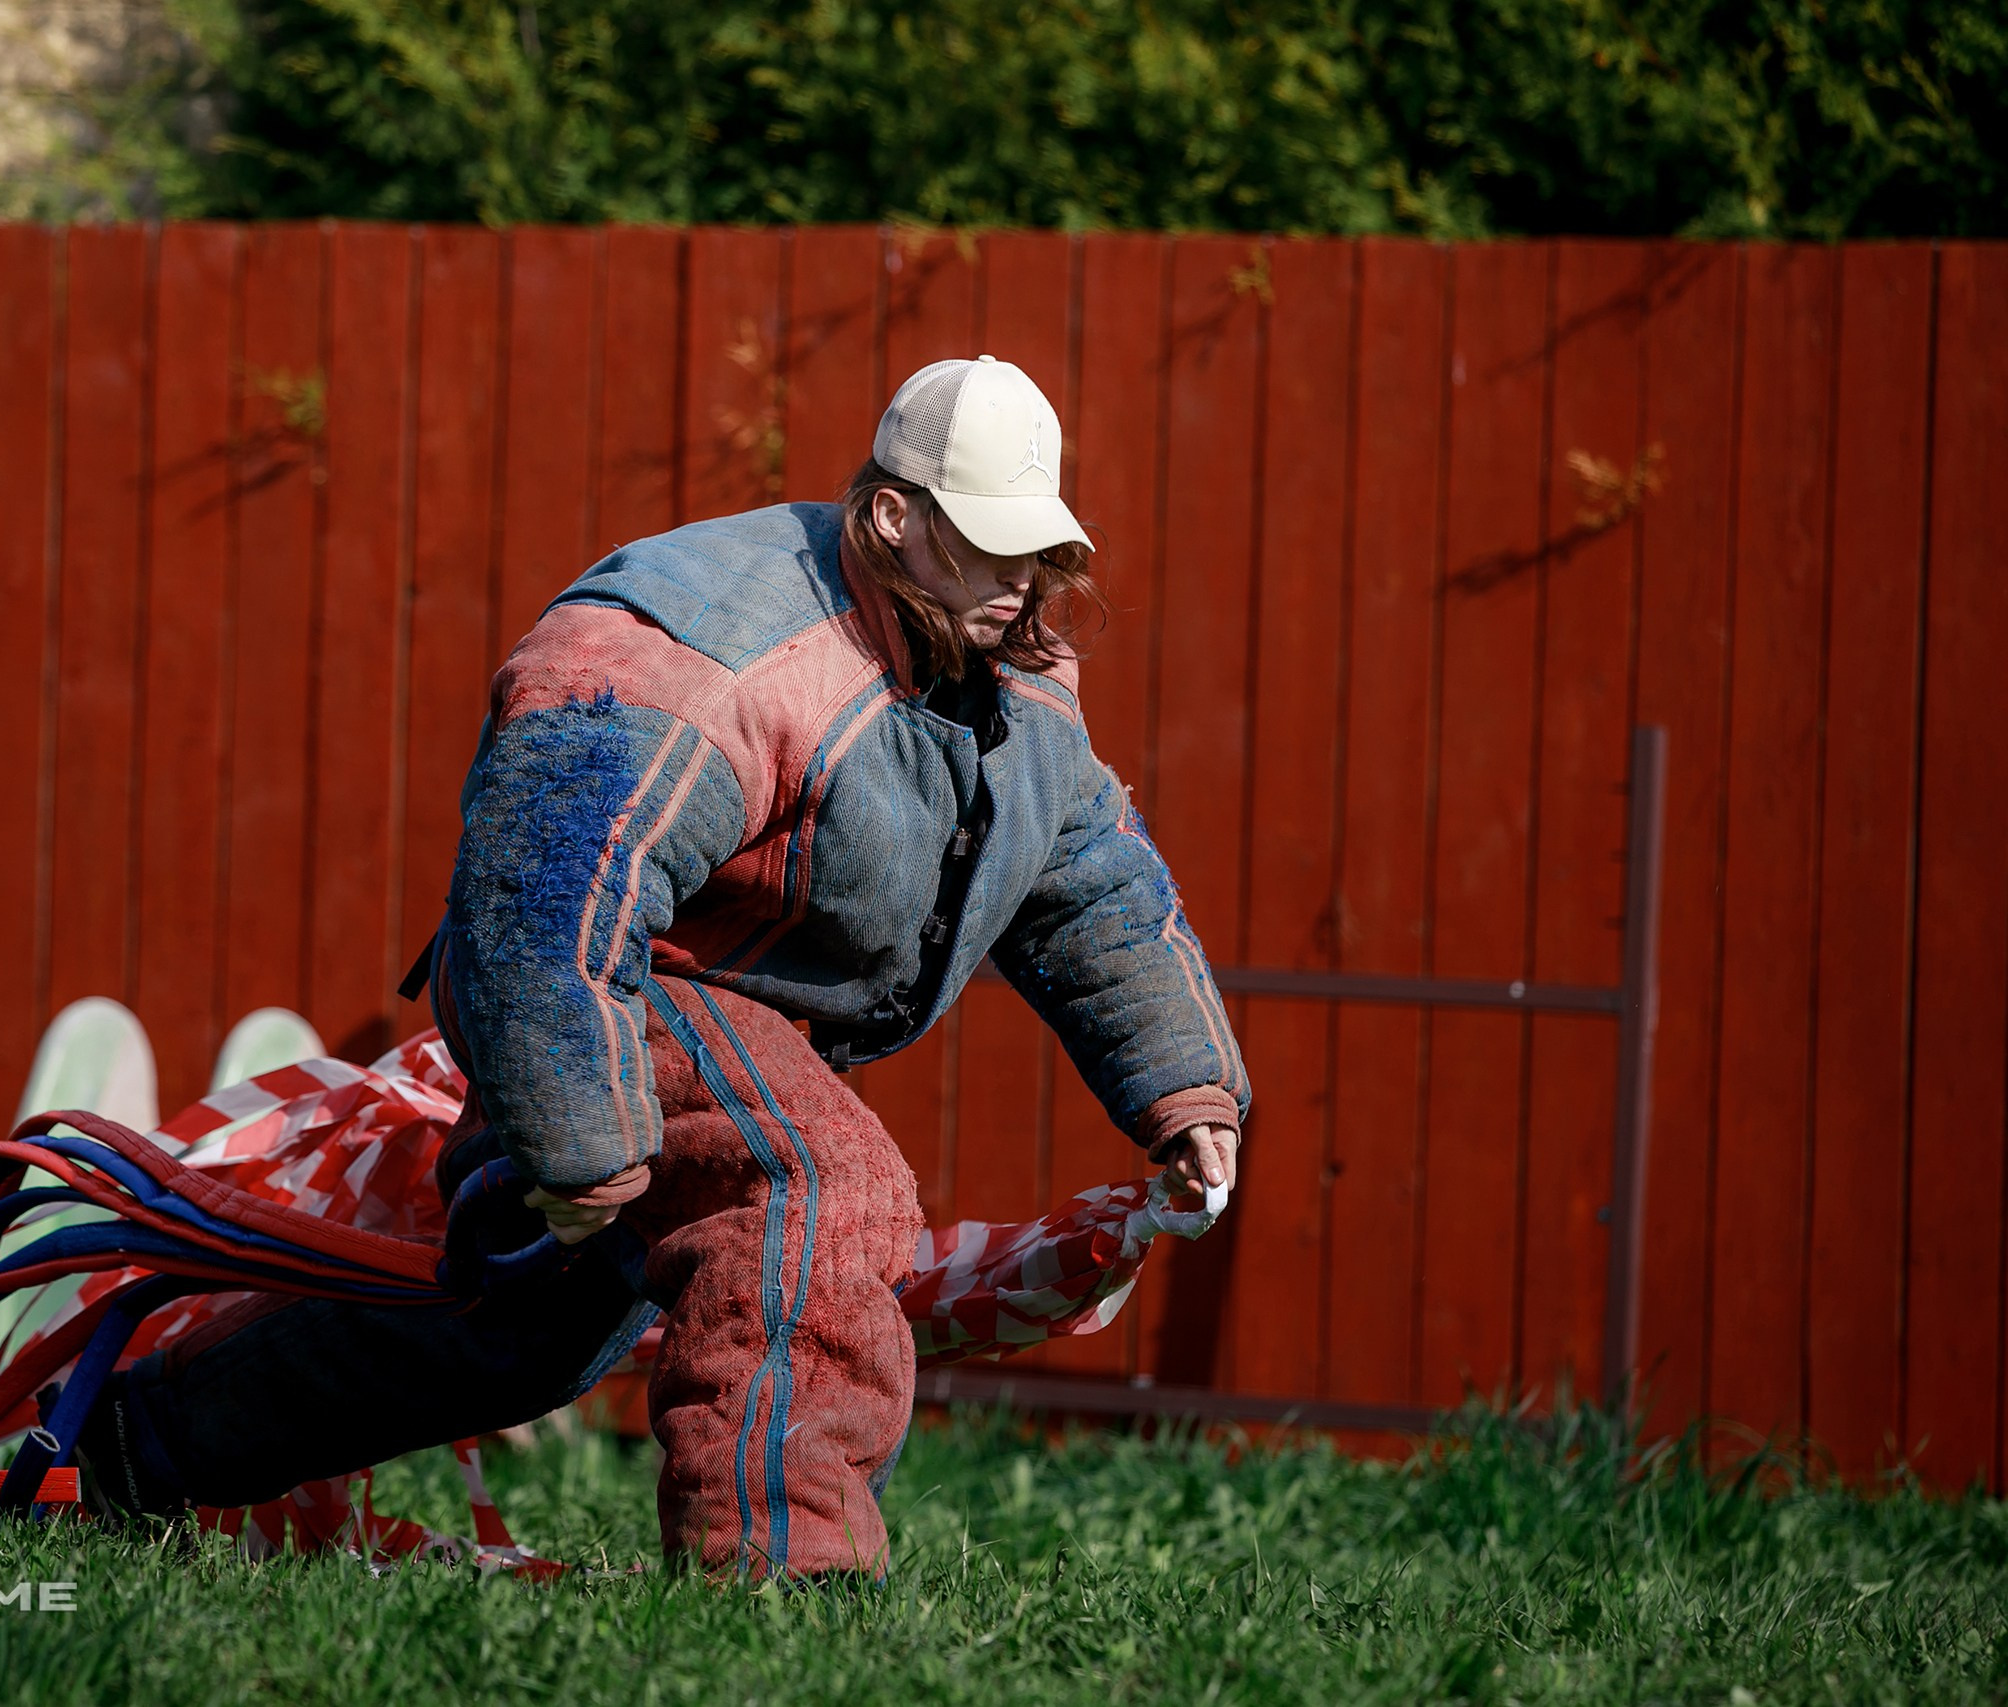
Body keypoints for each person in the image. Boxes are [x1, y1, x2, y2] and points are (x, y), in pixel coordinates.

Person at [77, 354, 1250, 1580]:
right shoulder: (716, 639)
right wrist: (576, 1124)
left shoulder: (1007, 670)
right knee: (815, 1185)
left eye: (1039, 551)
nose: (1026, 582)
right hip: (615, 982)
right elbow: (544, 886)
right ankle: (782, 1581)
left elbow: (1090, 878)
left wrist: (1184, 1091)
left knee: (519, 1335)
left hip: (731, 1016)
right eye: (995, 547)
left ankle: (127, 1447)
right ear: (895, 519)